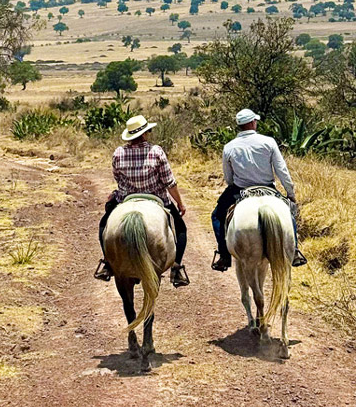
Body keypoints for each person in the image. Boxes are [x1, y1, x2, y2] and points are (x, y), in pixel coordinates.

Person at [94, 114, 190, 287]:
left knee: (104, 224)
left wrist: (117, 193)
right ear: (145, 133)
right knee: (181, 227)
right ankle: (177, 267)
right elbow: (169, 182)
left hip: (126, 198)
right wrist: (180, 203)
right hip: (157, 198)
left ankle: (107, 262)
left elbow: (118, 179)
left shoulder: (119, 153)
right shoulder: (156, 151)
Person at [211, 108, 307, 271]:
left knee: (217, 216)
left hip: (240, 189)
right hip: (267, 187)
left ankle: (224, 254)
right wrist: (290, 193)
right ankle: (295, 249)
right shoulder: (268, 142)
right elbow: (281, 170)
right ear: (252, 123)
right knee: (288, 213)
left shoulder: (229, 147)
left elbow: (228, 178)